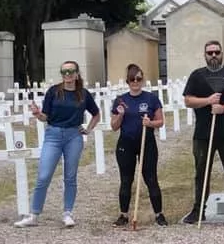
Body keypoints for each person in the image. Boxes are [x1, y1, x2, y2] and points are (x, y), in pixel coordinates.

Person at [14, 60, 100, 228]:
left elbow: (96, 114)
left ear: (77, 73)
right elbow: (45, 116)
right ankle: (34, 214)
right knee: (43, 176)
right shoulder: (54, 92)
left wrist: (88, 129)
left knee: (70, 176)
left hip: (73, 136)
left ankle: (67, 213)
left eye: (71, 71)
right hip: (53, 135)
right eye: (64, 72)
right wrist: (37, 114)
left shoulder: (83, 94)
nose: (67, 75)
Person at [181, 39, 224, 224]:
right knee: (201, 172)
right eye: (209, 53)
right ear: (204, 55)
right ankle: (198, 211)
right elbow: (188, 100)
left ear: (221, 54)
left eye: (216, 52)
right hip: (203, 134)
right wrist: (208, 100)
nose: (213, 56)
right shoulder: (197, 76)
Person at [110, 63, 166, 227]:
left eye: (138, 79)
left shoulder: (151, 98)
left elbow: (161, 122)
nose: (135, 82)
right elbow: (114, 127)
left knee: (151, 178)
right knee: (126, 180)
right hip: (126, 143)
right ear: (127, 81)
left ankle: (159, 214)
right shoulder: (121, 100)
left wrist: (150, 123)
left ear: (142, 80)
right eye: (132, 79)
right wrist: (120, 116)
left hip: (146, 143)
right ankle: (123, 215)